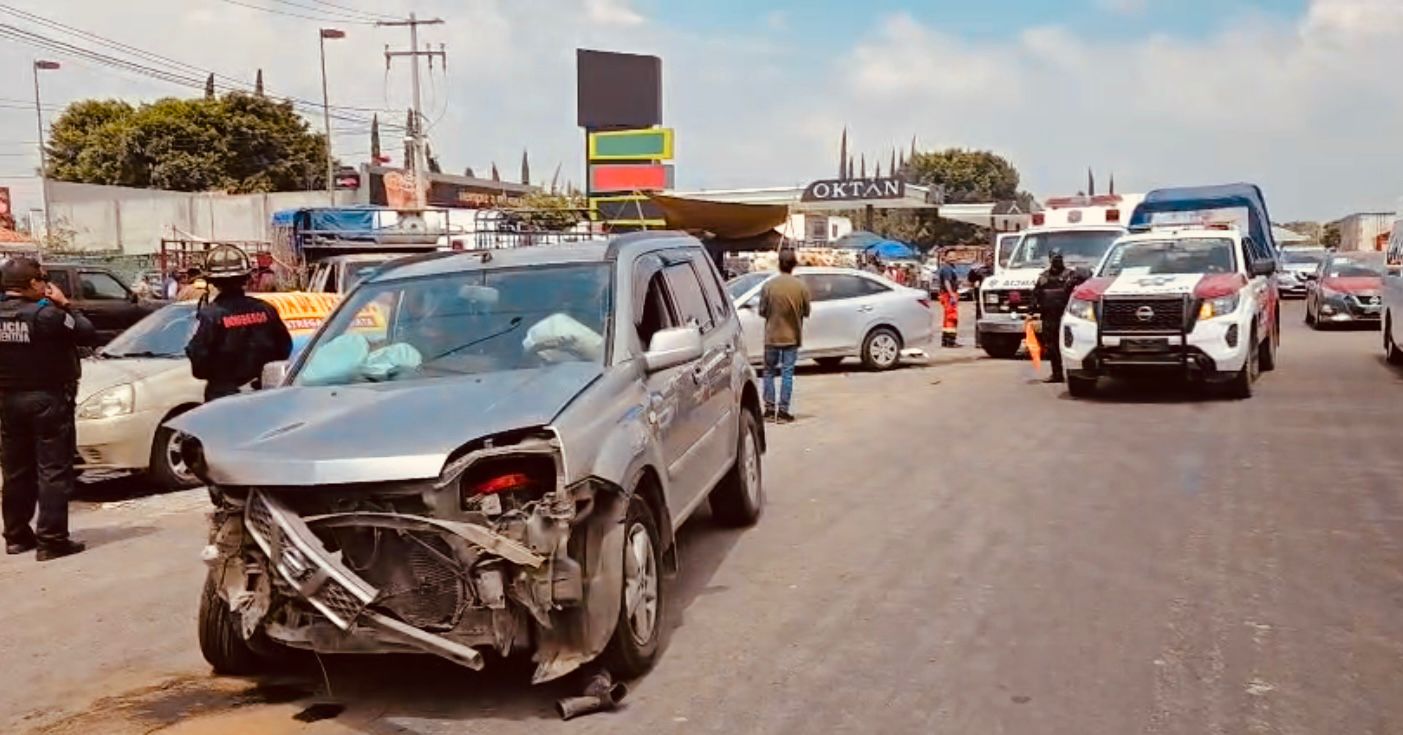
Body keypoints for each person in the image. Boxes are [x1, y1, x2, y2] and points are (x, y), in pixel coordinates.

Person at [0, 257, 100, 561]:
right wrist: (65, 304)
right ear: (32, 284)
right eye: (43, 280)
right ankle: (51, 540)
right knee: (53, 469)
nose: (46, 285)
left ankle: (16, 536)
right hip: (48, 399)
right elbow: (86, 333)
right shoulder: (48, 315)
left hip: (8, 400)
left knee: (16, 469)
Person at [185, 245, 293, 401]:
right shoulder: (266, 310)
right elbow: (284, 347)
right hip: (263, 394)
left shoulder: (210, 315)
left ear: (211, 281)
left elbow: (199, 360)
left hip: (222, 397)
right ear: (247, 277)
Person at [757, 249, 810, 423]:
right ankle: (783, 412)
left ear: (779, 264)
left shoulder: (769, 286)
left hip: (772, 336)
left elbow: (762, 311)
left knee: (769, 372)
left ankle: (769, 409)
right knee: (787, 373)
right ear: (793, 265)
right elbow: (807, 311)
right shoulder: (800, 286)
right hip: (792, 336)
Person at [1031, 248, 1085, 384]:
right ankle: (1057, 374)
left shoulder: (1071, 275)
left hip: (1067, 316)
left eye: (1059, 257)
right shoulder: (1043, 277)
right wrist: (1031, 310)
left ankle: (1079, 373)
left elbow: (1084, 283)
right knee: (1051, 346)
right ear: (1050, 259)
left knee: (1073, 344)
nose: (1057, 260)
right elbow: (1036, 294)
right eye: (1054, 257)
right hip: (1049, 316)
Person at [936, 251, 962, 348]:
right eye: (950, 256)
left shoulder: (951, 268)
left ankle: (946, 340)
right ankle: (950, 341)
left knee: (948, 318)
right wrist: (951, 294)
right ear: (945, 257)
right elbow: (947, 282)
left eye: (954, 256)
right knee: (952, 318)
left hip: (948, 294)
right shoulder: (947, 268)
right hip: (948, 295)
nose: (952, 258)